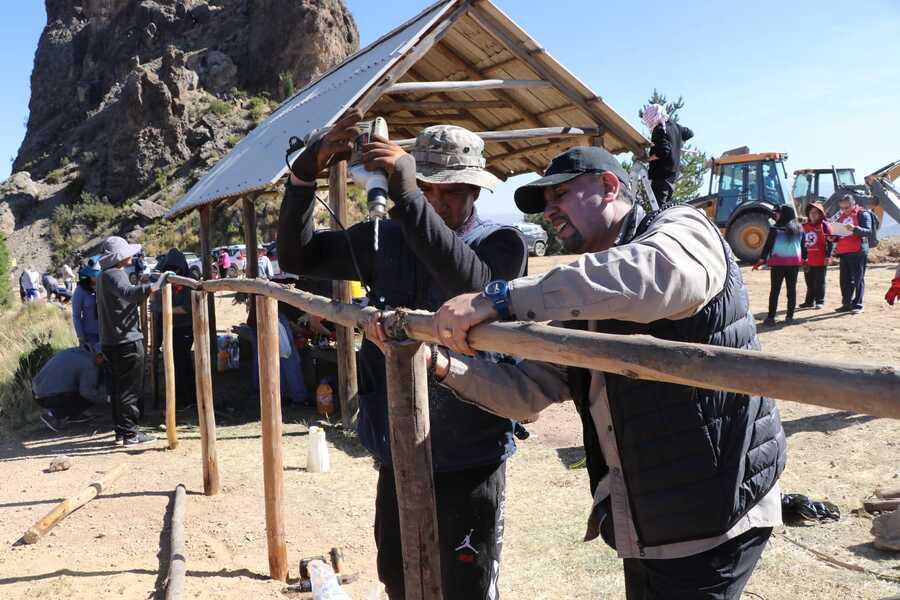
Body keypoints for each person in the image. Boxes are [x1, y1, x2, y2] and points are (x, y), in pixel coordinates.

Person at [424, 146, 786, 600]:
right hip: (651, 518)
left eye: (561, 195)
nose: (551, 212)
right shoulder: (584, 298)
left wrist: (500, 297)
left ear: (609, 186)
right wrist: (438, 363)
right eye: (546, 204)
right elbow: (527, 391)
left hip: (714, 508)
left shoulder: (681, 229)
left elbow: (661, 275)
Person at [278, 111, 527, 599]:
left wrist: (409, 194)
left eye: (450, 191)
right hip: (397, 447)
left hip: (470, 452)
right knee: (398, 576)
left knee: (466, 587)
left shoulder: (501, 244)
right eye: (428, 188)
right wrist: (305, 174)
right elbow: (297, 257)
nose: (437, 200)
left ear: (475, 191)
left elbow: (470, 289)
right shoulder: (382, 237)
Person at [97, 236, 169, 445]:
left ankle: (122, 432)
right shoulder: (115, 274)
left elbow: (124, 294)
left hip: (111, 341)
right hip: (126, 340)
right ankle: (130, 434)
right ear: (119, 257)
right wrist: (155, 286)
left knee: (119, 389)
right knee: (130, 389)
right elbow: (130, 294)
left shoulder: (104, 276)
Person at [150, 248, 196, 407]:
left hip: (184, 328)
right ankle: (178, 397)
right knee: (173, 363)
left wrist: (165, 310)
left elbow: (187, 308)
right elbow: (155, 301)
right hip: (169, 327)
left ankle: (187, 398)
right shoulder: (164, 280)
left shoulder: (189, 282)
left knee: (182, 363)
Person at [32, 344, 106, 432]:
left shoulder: (75, 352)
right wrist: (107, 398)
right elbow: (87, 392)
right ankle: (53, 415)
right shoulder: (89, 364)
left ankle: (71, 415)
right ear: (99, 356)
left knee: (83, 388)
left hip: (37, 392)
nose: (105, 365)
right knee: (90, 394)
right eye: (105, 361)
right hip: (47, 397)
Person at [753, 205, 803, 326]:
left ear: (784, 214)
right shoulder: (799, 229)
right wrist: (805, 259)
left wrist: (761, 260)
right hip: (794, 264)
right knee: (792, 290)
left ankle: (770, 318)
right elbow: (803, 246)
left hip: (778, 263)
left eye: (778, 213)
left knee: (775, 290)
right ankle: (790, 317)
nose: (776, 215)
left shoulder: (775, 229)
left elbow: (768, 246)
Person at [642, 103, 694, 204]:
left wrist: (647, 159)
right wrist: (678, 144)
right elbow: (690, 133)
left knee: (658, 211)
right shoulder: (675, 126)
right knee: (665, 207)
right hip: (672, 176)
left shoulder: (659, 129)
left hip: (661, 175)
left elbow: (663, 151)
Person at [831, 194, 873, 314]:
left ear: (853, 204)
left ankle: (857, 304)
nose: (845, 210)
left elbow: (868, 231)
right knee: (844, 280)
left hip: (858, 251)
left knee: (857, 278)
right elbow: (839, 233)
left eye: (847, 207)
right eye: (842, 208)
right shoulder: (842, 216)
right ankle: (846, 303)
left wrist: (854, 228)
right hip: (844, 251)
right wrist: (833, 238)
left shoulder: (863, 214)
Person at [798, 202, 833, 309]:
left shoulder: (825, 226)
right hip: (808, 260)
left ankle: (820, 301)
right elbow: (801, 243)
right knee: (809, 281)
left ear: (820, 214)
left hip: (821, 259)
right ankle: (809, 301)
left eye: (816, 213)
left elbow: (831, 242)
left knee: (820, 281)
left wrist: (828, 256)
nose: (813, 215)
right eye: (811, 213)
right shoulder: (804, 226)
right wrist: (802, 258)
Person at [72, 260, 101, 347]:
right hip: (90, 336)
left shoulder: (104, 286)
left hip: (107, 335)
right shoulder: (80, 290)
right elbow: (76, 316)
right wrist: (81, 336)